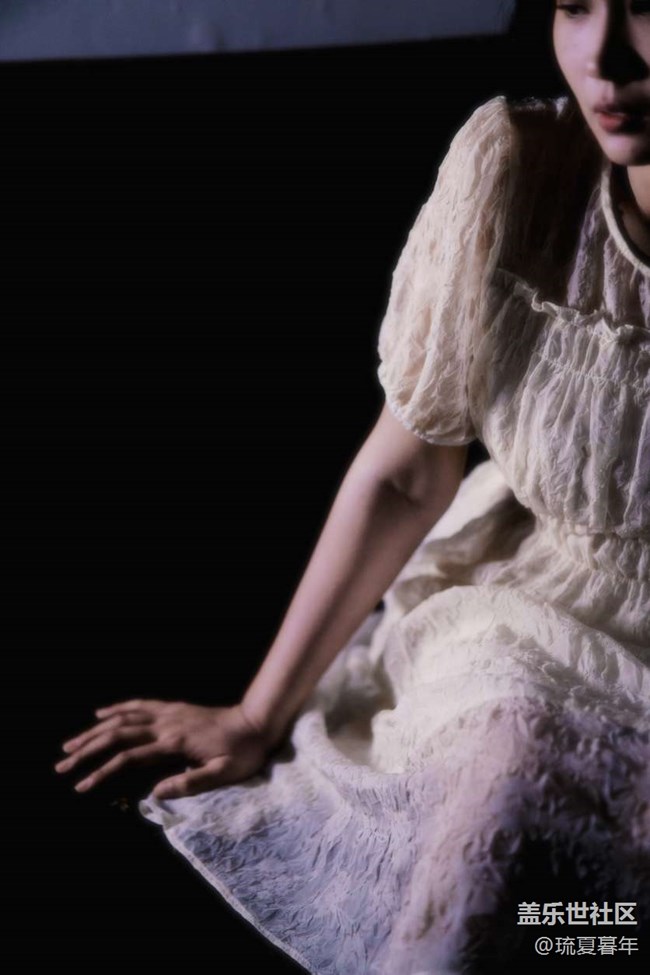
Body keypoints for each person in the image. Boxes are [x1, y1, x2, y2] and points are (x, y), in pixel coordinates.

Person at [55, 1, 649, 971]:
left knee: (597, 927)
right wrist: (256, 715)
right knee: (500, 813)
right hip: (535, 620)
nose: (605, 57)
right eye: (574, 5)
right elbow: (408, 472)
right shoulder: (518, 167)